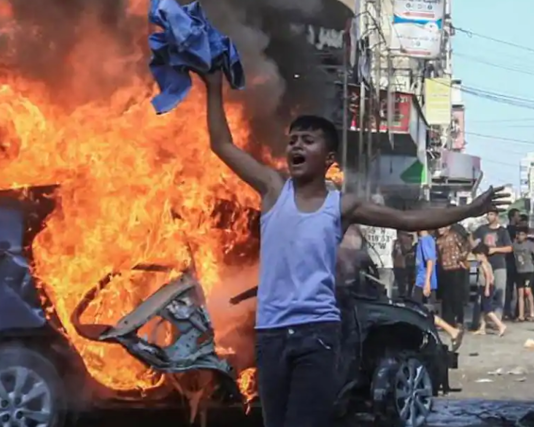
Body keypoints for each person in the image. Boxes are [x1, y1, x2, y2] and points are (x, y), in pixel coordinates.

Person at [201, 70, 507, 427]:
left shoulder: (341, 206)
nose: (297, 146)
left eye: (308, 141)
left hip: (317, 332)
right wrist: (212, 87)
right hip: (271, 334)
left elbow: (408, 220)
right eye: (294, 140)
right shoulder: (273, 190)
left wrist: (471, 209)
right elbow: (221, 144)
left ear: (328, 158)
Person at [414, 229, 464, 348]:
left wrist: (426, 282)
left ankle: (452, 331)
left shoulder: (426, 240)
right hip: (422, 279)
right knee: (419, 310)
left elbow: (430, 261)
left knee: (417, 310)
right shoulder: (425, 240)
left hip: (423, 281)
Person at [472, 209, 513, 319]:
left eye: (491, 214)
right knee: (482, 293)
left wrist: (495, 250)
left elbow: (509, 248)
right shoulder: (481, 229)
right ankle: (480, 321)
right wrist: (475, 245)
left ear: (496, 216)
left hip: (499, 265)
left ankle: (497, 318)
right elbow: (472, 238)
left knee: (499, 292)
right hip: (484, 264)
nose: (488, 216)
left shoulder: (503, 231)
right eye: (487, 214)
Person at [359, 195, 398, 298]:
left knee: (371, 294)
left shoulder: (365, 222)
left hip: (372, 264)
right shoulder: (391, 222)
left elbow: (360, 240)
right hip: (382, 264)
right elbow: (393, 245)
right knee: (384, 294)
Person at [436, 225, 470, 330]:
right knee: (446, 297)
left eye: (442, 227)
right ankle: (447, 321)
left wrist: (461, 257)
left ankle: (459, 321)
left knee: (457, 296)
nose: (440, 229)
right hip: (444, 269)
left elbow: (466, 246)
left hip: (456, 269)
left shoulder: (454, 236)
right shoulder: (438, 240)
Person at [472, 242, 507, 336]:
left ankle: (500, 325)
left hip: (486, 287)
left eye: (477, 255)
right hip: (484, 287)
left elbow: (488, 276)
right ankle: (482, 328)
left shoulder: (484, 264)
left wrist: (487, 288)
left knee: (488, 310)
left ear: (482, 255)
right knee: (482, 309)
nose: (476, 258)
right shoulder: (486, 263)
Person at [512, 227, 534, 322]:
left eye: (522, 234)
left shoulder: (530, 245)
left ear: (526, 235)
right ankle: (521, 315)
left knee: (527, 291)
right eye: (519, 234)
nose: (520, 236)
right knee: (520, 293)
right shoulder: (514, 245)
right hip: (519, 271)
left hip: (529, 271)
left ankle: (532, 313)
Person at [392, 231, 414, 298]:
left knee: (403, 282)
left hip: (402, 264)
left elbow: (396, 252)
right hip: (403, 264)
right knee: (405, 282)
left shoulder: (401, 240)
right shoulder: (407, 238)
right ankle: (405, 295)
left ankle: (404, 295)